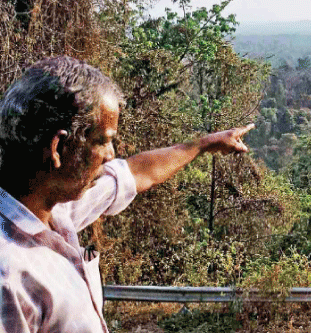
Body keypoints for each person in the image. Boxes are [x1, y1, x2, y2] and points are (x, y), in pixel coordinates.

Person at [0, 56, 255, 332]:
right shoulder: (10, 275)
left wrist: (204, 144)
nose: (111, 156)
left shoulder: (55, 211)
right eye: (103, 141)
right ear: (57, 148)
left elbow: (135, 173)